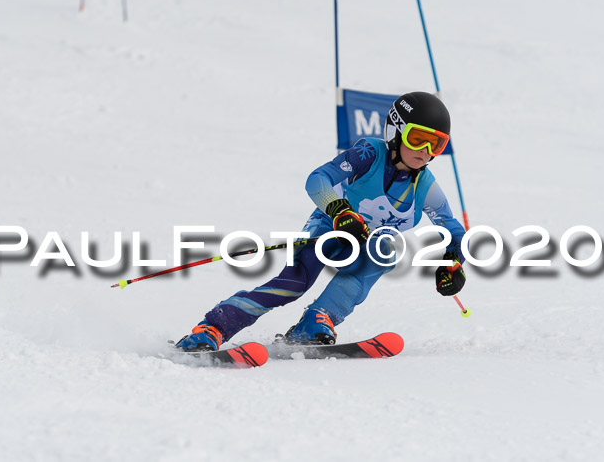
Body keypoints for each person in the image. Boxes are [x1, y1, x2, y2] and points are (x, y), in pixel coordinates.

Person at [175, 92, 466, 351]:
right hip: (330, 226)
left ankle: (317, 320)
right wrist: (339, 210)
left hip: (365, 244)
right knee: (294, 283)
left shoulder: (425, 186)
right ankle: (214, 327)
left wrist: (453, 262)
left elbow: (451, 227)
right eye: (418, 138)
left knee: (384, 251)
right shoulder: (369, 154)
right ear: (397, 130)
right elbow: (318, 179)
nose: (425, 150)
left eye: (436, 144)